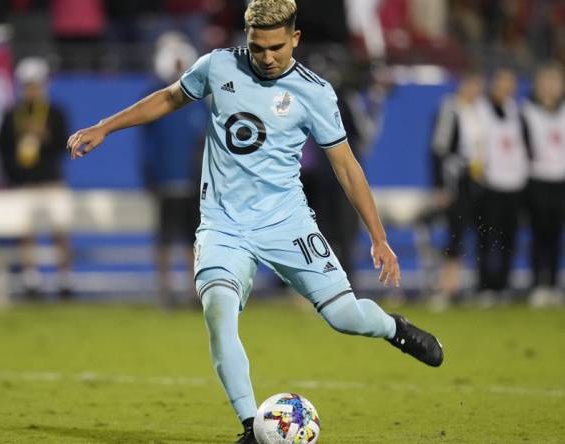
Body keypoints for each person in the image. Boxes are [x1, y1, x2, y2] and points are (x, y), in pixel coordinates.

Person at [66, 1, 443, 442]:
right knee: (218, 312)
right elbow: (170, 97)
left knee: (345, 317)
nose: (267, 57)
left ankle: (393, 328)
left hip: (287, 223)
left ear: (295, 39)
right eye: (258, 47)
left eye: (277, 48)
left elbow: (346, 167)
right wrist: (105, 127)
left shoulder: (315, 92)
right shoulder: (218, 66)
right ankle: (251, 427)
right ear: (246, 39)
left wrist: (379, 238)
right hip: (223, 225)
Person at [0, 57, 74, 299]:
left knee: (59, 228)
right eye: (28, 85)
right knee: (25, 229)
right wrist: (16, 172)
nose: (32, 90)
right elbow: (2, 148)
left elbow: (66, 145)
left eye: (36, 85)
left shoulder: (55, 113)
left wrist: (46, 137)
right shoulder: (11, 115)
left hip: (50, 180)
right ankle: (31, 279)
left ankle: (64, 278)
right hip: (24, 181)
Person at [143, 33, 207, 308]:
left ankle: (195, 291)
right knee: (166, 238)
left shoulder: (200, 102)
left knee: (194, 239)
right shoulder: (155, 99)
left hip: (193, 181)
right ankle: (165, 290)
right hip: (167, 179)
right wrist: (151, 174)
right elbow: (148, 144)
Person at [471, 69, 528, 306]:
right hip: (491, 183)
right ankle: (485, 285)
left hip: (514, 183)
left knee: (509, 237)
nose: (506, 88)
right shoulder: (480, 110)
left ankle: (504, 283)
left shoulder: (516, 110)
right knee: (487, 237)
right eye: (502, 83)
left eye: (510, 84)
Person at [429, 72, 484, 309]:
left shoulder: (478, 110)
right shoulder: (450, 108)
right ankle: (446, 285)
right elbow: (438, 149)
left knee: (467, 230)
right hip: (455, 180)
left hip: (475, 179)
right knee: (454, 231)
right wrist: (441, 185)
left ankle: (459, 285)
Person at [521, 63, 565, 307]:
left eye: (555, 82)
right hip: (537, 179)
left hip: (560, 180)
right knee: (539, 233)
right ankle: (538, 283)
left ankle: (554, 283)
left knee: (556, 235)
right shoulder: (527, 111)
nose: (551, 87)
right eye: (546, 82)